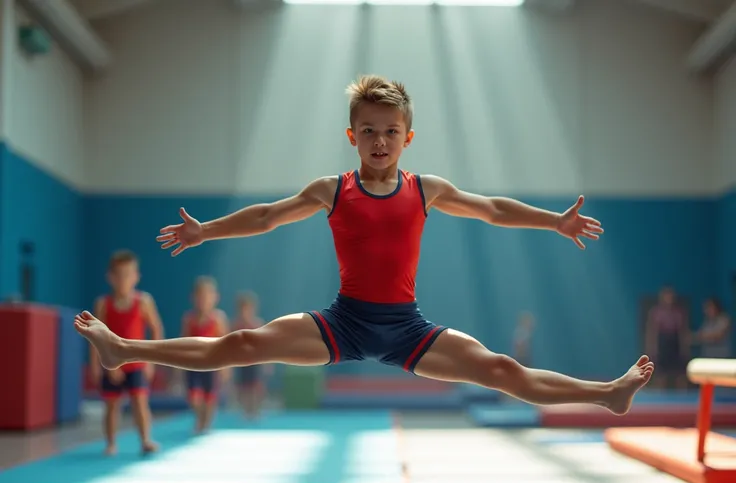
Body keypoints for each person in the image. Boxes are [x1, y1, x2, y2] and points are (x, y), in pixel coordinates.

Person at [74, 75, 654, 416]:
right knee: (243, 342)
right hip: (344, 321)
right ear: (352, 136)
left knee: (502, 368)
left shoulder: (427, 190)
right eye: (369, 131)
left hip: (407, 327)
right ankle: (124, 350)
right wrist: (207, 230)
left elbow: (493, 209)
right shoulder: (333, 190)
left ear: (408, 137)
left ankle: (607, 393)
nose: (380, 141)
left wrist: (555, 222)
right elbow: (268, 217)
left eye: (391, 131)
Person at [89, 250, 163, 455]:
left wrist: (152, 361)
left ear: (136, 277)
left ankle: (146, 439)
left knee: (140, 401)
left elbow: (156, 328)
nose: (123, 280)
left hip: (137, 362)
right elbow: (95, 336)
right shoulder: (103, 304)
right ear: (110, 278)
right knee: (112, 405)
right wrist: (97, 364)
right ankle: (111, 443)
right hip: (112, 362)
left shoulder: (144, 301)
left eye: (128, 275)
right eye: (119, 275)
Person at [180, 276, 230, 433]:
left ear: (215, 298)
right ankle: (200, 419)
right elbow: (182, 343)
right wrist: (178, 366)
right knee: (194, 397)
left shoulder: (218, 318)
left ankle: (206, 423)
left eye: (207, 297)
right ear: (193, 298)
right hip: (193, 364)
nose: (203, 301)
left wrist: (226, 367)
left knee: (209, 397)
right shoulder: (189, 319)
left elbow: (227, 343)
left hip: (212, 364)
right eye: (200, 297)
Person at [231, 291, 269, 419]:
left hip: (255, 361)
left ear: (253, 309)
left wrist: (267, 362)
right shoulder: (236, 325)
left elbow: (265, 345)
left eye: (247, 309)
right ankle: (246, 410)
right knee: (243, 387)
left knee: (255, 386)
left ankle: (255, 409)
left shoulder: (258, 324)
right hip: (241, 361)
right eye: (242, 309)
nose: (244, 312)